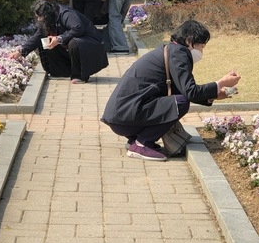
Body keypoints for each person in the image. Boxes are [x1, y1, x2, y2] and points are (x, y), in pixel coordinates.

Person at [101, 20, 241, 161]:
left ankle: (136, 140)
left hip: (120, 117)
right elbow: (189, 92)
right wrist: (221, 82)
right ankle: (141, 144)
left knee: (178, 100)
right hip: (126, 116)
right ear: (189, 41)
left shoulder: (170, 50)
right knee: (180, 103)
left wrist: (215, 95)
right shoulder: (179, 53)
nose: (201, 52)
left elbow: (181, 89)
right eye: (201, 46)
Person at [9, 0, 108, 84]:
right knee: (46, 41)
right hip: (78, 44)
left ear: (47, 15)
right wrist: (21, 52)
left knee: (73, 43)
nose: (39, 19)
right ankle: (61, 71)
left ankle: (80, 75)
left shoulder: (65, 14)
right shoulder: (50, 19)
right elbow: (38, 36)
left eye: (41, 16)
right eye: (37, 16)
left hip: (92, 46)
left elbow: (78, 28)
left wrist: (59, 38)